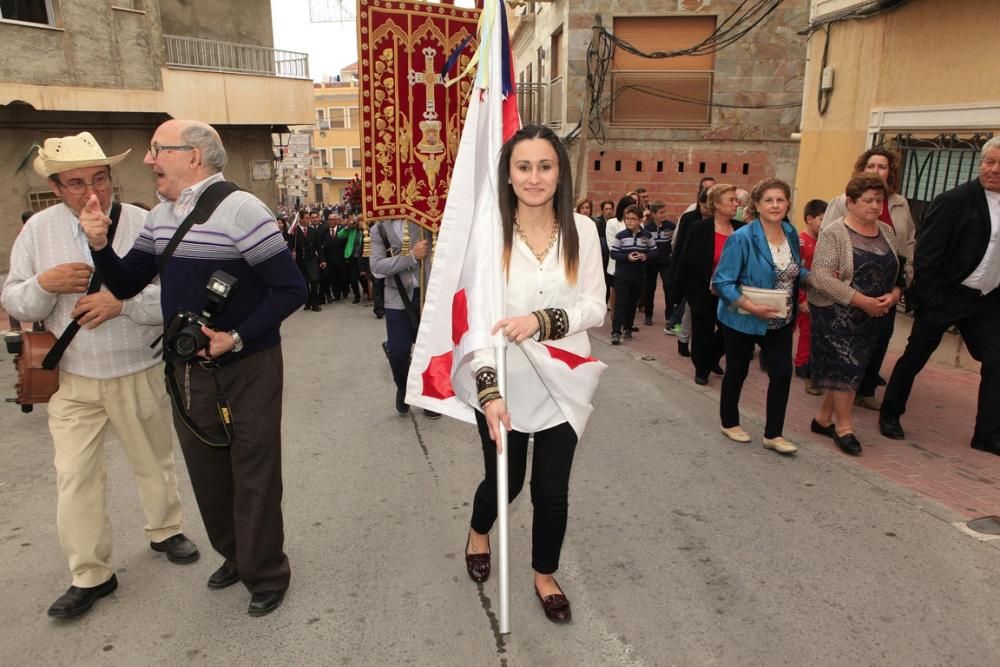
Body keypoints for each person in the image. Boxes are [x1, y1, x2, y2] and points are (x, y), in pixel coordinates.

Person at [81, 119, 306, 617]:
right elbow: (125, 284)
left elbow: (294, 289)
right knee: (208, 470)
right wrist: (99, 245)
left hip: (249, 364)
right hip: (188, 370)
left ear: (194, 157)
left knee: (254, 469)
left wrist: (236, 336)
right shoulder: (161, 216)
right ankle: (235, 555)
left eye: (157, 148)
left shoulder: (244, 210)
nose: (147, 158)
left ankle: (266, 571)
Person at [2, 131, 199, 619]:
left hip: (136, 366)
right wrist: (44, 286)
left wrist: (123, 302)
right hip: (71, 378)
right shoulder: (38, 231)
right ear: (56, 187)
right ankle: (90, 574)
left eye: (99, 179)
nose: (91, 193)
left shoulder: (146, 223)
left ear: (111, 178)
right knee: (75, 478)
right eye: (75, 183)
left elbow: (174, 298)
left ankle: (165, 529)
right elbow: (15, 300)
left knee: (154, 460)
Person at [463, 124, 605, 624]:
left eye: (545, 166)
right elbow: (479, 321)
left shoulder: (582, 230)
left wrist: (542, 323)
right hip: (504, 383)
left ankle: (545, 573)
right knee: (507, 483)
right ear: (508, 175)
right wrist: (488, 392)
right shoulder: (489, 234)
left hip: (565, 379)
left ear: (560, 173)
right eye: (523, 166)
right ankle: (479, 530)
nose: (535, 176)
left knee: (552, 489)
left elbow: (595, 306)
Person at [880, 137, 1000, 455]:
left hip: (988, 300)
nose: (995, 169)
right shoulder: (954, 200)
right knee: (916, 356)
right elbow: (927, 255)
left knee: (997, 361)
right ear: (981, 163)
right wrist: (933, 300)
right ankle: (890, 413)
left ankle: (986, 435)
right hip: (946, 295)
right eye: (990, 162)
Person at [808, 174, 904, 455]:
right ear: (850, 202)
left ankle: (822, 419)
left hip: (873, 315)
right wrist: (861, 300)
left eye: (879, 200)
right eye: (868, 200)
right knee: (848, 369)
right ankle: (844, 427)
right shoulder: (834, 233)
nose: (875, 206)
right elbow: (821, 277)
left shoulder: (886, 231)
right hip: (837, 315)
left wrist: (895, 294)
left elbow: (901, 270)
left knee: (852, 369)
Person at [712, 178, 807, 454]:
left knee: (782, 373)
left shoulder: (790, 233)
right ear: (757, 204)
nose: (775, 205)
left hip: (780, 319)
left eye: (780, 200)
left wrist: (814, 281)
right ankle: (729, 422)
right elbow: (722, 282)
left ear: (788, 203)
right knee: (738, 370)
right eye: (769, 200)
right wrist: (752, 307)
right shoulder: (742, 238)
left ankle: (773, 434)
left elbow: (793, 270)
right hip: (742, 317)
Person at [823, 147, 915, 410]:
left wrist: (904, 279)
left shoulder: (899, 203)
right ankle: (835, 391)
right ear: (862, 169)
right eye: (871, 166)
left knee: (880, 336)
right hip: (851, 281)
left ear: (891, 172)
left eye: (882, 167)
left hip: (887, 282)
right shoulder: (842, 201)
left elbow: (908, 242)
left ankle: (865, 389)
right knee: (844, 338)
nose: (876, 171)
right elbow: (826, 241)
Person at [670, 184, 743, 385]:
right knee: (702, 331)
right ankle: (702, 368)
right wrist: (676, 292)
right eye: (731, 199)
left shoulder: (741, 229)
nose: (736, 203)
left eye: (736, 199)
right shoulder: (699, 228)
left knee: (730, 332)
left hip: (731, 293)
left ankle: (711, 357)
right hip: (703, 290)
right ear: (717, 204)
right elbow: (685, 260)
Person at [368, 218, 439, 418]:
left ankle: (427, 397)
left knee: (428, 351)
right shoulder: (378, 229)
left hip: (428, 296)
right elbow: (377, 266)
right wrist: (411, 257)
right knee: (399, 351)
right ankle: (403, 385)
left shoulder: (427, 221)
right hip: (397, 299)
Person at [609, 204, 657, 344]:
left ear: (640, 220)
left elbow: (654, 251)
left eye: (633, 219)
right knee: (620, 303)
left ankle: (628, 328)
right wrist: (627, 257)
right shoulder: (621, 236)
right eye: (627, 218)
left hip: (639, 275)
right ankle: (616, 332)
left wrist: (645, 256)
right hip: (622, 275)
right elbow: (614, 253)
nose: (629, 221)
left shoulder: (647, 235)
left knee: (632, 303)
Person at [795, 199, 828, 395]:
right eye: (822, 219)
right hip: (801, 295)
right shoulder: (800, 241)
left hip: (814, 296)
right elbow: (796, 271)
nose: (825, 224)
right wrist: (801, 298)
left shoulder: (823, 242)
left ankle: (802, 364)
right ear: (809, 219)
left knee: (808, 331)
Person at [642, 200, 675, 326]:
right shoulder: (647, 229)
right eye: (661, 212)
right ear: (653, 214)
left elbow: (674, 242)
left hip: (666, 262)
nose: (664, 214)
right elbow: (645, 246)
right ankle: (648, 314)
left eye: (665, 211)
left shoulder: (671, 226)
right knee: (650, 288)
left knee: (668, 286)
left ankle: (669, 315)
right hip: (651, 262)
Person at [289, 209, 326, 311]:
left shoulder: (313, 231)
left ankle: (315, 304)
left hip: (312, 260)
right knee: (305, 284)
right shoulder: (295, 232)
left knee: (314, 282)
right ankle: (308, 302)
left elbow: (318, 247)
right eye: (306, 218)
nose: (309, 220)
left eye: (309, 218)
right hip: (300, 262)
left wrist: (322, 260)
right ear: (300, 220)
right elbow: (290, 246)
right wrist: (292, 252)